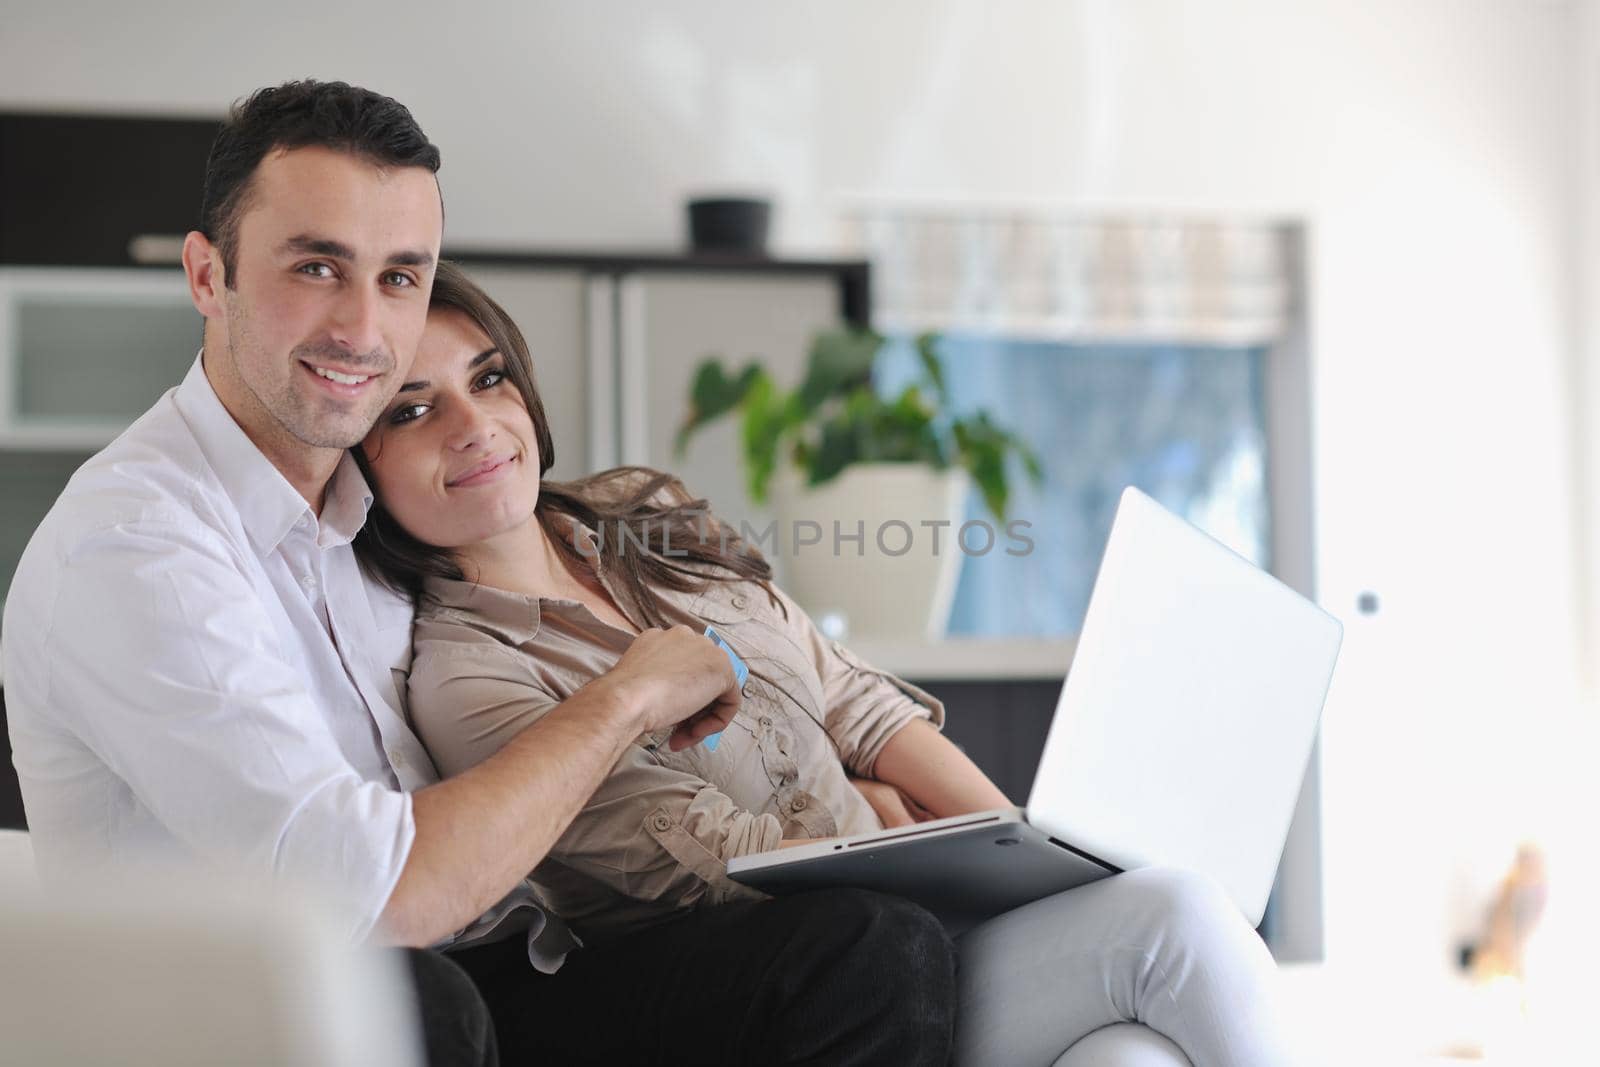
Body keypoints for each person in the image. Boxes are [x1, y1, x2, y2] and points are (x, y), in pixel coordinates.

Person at [0, 80, 955, 1067]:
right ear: (209, 275)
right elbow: (377, 898)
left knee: (863, 948)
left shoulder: (370, 524)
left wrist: (850, 800)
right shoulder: (138, 547)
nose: (363, 329)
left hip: (495, 971)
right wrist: (630, 693)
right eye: (317, 266)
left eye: (401, 276)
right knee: (417, 997)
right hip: (249, 1013)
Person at [353, 260, 1305, 1067]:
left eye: (487, 379)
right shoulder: (465, 674)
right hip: (845, 974)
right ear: (365, 464)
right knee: (1176, 918)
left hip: (946, 906)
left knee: (1130, 1054)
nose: (471, 425)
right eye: (411, 411)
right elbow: (705, 867)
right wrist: (877, 819)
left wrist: (1023, 844)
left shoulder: (645, 515)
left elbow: (856, 700)